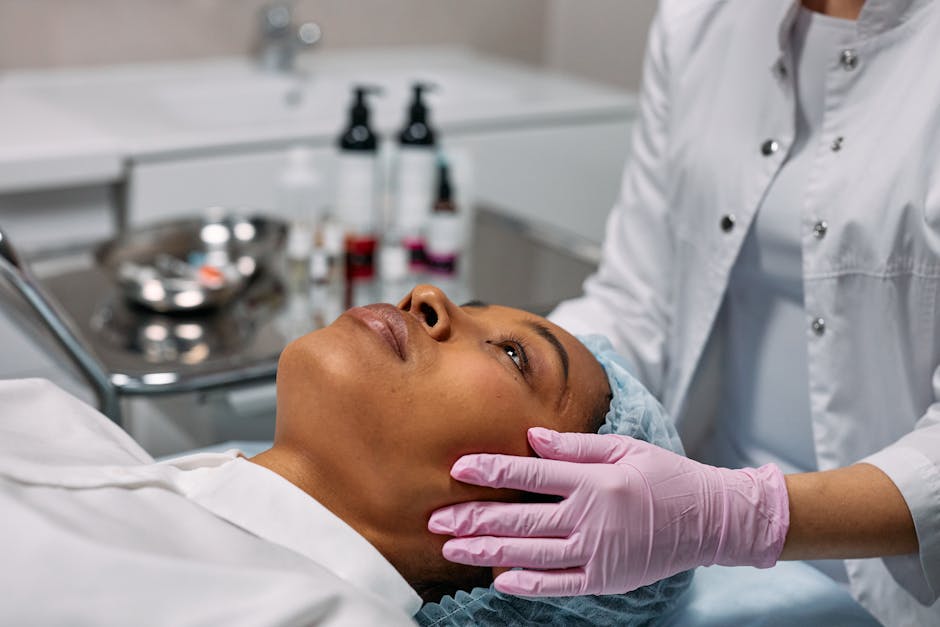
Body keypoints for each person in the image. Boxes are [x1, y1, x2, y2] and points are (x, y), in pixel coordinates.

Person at [427, 1, 940, 625]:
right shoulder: (701, 18)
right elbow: (637, 298)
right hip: (699, 551)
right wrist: (512, 381)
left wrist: (735, 514)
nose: (424, 306)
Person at [0, 285, 689, 625]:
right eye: (477, 304)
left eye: (515, 356)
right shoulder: (74, 432)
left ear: (527, 543)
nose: (430, 295)